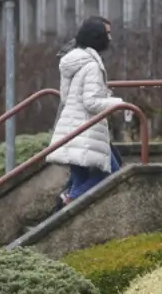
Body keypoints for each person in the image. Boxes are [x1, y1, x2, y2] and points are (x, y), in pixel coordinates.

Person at [47, 16, 125, 207]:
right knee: (110, 172)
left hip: (73, 129)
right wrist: (117, 103)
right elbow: (90, 102)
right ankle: (70, 199)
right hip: (86, 130)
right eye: (107, 34)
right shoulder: (91, 66)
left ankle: (68, 206)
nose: (110, 39)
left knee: (81, 177)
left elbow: (67, 96)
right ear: (97, 37)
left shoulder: (75, 62)